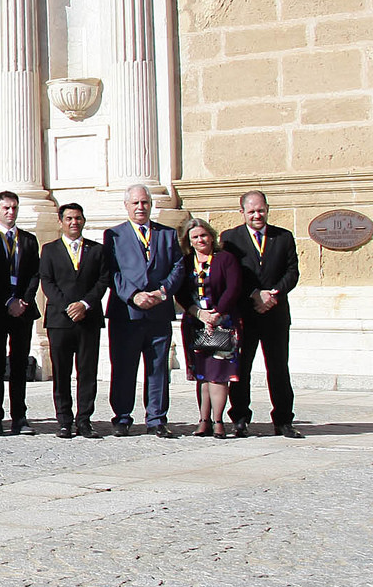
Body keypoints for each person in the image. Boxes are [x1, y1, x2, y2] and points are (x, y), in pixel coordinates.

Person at [221, 190, 302, 438]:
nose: (257, 215)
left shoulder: (283, 237)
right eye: (252, 211)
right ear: (242, 212)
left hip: (275, 314)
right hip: (246, 313)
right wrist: (255, 294)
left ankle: (283, 420)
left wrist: (273, 293)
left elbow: (292, 272)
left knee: (278, 368)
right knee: (242, 368)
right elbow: (232, 275)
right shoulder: (230, 239)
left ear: (267, 209)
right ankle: (240, 418)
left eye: (261, 210)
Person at [104, 184, 180, 439]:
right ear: (127, 206)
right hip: (127, 313)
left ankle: (157, 418)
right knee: (124, 367)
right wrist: (134, 295)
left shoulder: (167, 235)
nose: (140, 207)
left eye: (145, 202)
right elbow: (112, 272)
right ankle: (122, 417)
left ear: (151, 204)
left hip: (158, 312)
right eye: (135, 203)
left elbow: (178, 266)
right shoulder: (113, 235)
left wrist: (161, 292)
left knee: (158, 368)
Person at [37, 202, 109, 439]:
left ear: (83, 221)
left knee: (87, 372)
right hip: (60, 320)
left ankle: (85, 419)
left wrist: (84, 305)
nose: (74, 222)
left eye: (78, 218)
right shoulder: (49, 250)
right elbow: (47, 282)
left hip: (88, 319)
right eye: (69, 218)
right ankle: (64, 420)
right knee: (62, 372)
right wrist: (67, 306)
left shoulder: (96, 250)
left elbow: (102, 281)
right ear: (61, 222)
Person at [174, 218, 243, 438]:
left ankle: (219, 420)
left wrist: (216, 314)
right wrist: (199, 313)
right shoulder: (185, 262)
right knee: (202, 374)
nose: (200, 240)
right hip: (196, 323)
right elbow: (181, 292)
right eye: (195, 237)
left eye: (203, 235)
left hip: (222, 323)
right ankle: (203, 420)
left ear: (211, 236)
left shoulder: (226, 259)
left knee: (218, 375)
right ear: (189, 241)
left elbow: (234, 288)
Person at [0, 190, 39, 436]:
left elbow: (35, 273)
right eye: (6, 208)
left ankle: (20, 416)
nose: (10, 212)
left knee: (19, 362)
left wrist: (23, 300)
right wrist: (7, 301)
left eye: (14, 207)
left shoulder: (29, 240)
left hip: (23, 310)